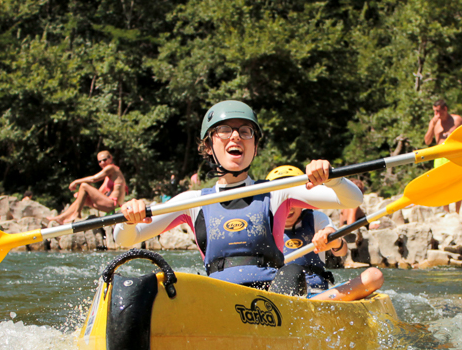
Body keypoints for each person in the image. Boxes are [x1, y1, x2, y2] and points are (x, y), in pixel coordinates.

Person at [114, 100, 364, 298]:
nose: (235, 136)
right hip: (218, 301)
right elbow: (127, 238)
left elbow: (352, 199)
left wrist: (332, 179)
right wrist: (128, 219)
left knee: (294, 272)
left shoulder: (278, 192)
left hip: (272, 302)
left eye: (245, 132)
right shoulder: (191, 202)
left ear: (254, 147)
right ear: (209, 146)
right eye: (224, 130)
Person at [270, 165, 384, 302]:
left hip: (318, 294)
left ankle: (313, 303)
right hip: (277, 294)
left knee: (374, 275)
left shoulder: (315, 218)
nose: (288, 206)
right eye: (282, 197)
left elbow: (342, 251)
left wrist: (333, 240)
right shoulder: (264, 223)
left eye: (292, 197)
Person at [46, 150, 127, 225]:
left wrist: (75, 182)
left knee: (84, 185)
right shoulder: (108, 177)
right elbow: (99, 193)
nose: (102, 163)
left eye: (104, 160)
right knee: (83, 197)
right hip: (109, 203)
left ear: (110, 158)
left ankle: (77, 214)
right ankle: (61, 218)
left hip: (113, 204)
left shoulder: (112, 168)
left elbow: (94, 179)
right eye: (99, 161)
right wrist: (82, 195)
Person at [424, 99, 462, 213]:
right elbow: (427, 141)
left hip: (454, 154)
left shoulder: (457, 120)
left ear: (445, 109)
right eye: (434, 112)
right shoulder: (435, 123)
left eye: (438, 111)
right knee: (442, 184)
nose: (437, 114)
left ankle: (457, 211)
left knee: (458, 182)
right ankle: (446, 210)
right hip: (440, 155)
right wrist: (432, 125)